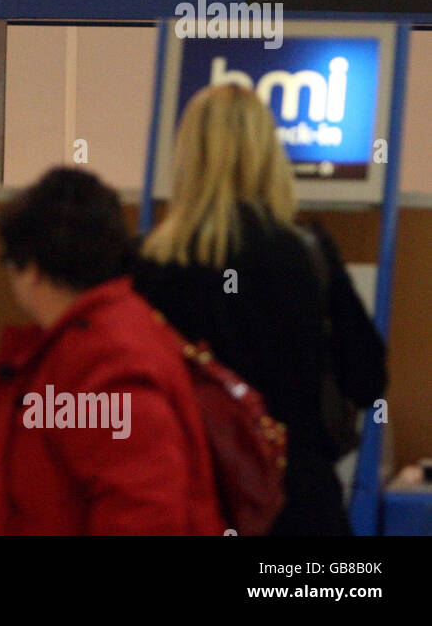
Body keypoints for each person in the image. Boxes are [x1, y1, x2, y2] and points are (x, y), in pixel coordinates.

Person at [132, 83, 386, 535]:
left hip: (187, 499)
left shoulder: (144, 265)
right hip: (297, 502)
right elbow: (367, 379)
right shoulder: (309, 254)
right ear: (269, 155)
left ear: (187, 157)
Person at [0, 167, 224, 535]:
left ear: (32, 270)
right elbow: (55, 419)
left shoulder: (110, 359)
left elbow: (144, 512)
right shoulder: (94, 340)